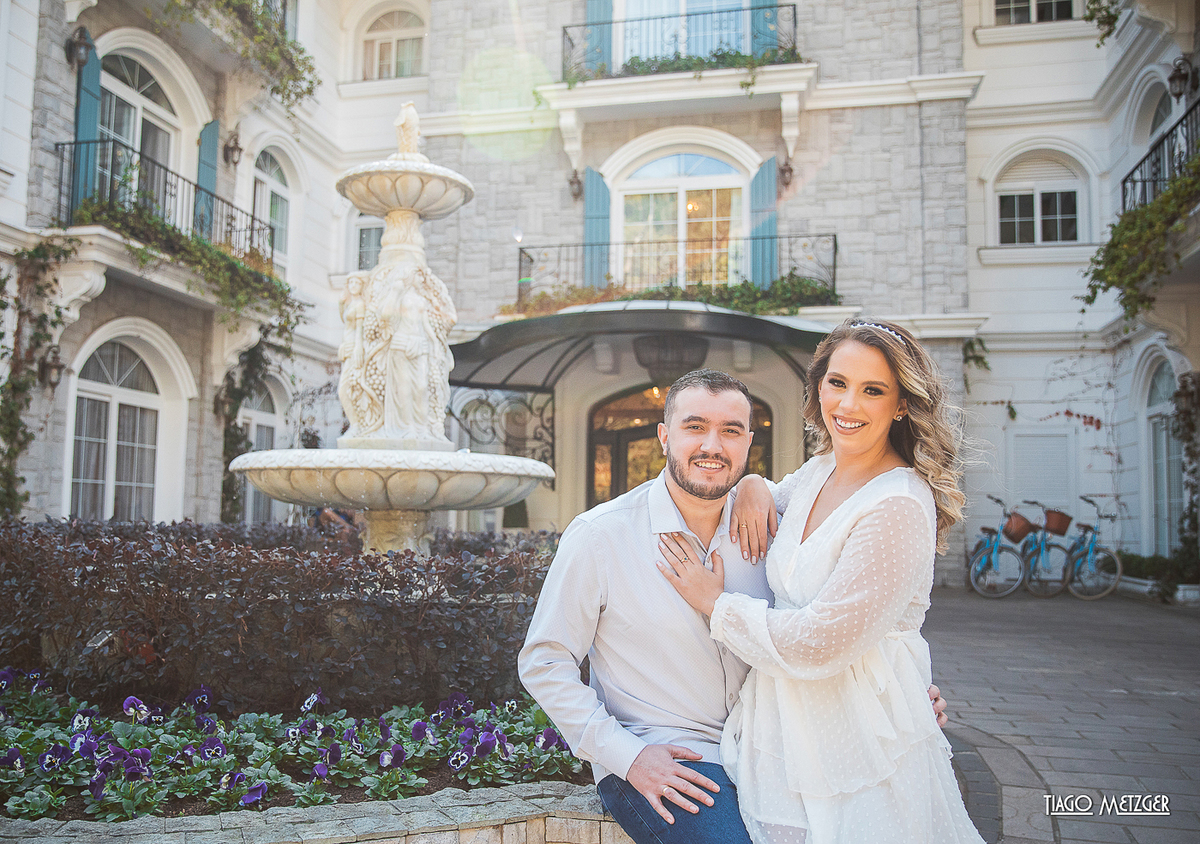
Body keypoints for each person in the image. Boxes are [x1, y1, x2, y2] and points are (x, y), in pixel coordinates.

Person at [518, 368, 948, 844]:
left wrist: (899, 689)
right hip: (672, 758)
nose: (712, 446)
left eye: (731, 431)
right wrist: (627, 756)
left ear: (748, 444)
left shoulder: (777, 532)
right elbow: (545, 660)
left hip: (774, 748)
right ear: (664, 436)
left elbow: (836, 620)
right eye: (695, 426)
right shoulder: (601, 536)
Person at [657, 320, 984, 844]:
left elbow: (818, 643)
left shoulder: (896, 504)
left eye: (872, 390)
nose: (848, 406)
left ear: (901, 403)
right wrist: (753, 484)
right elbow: (772, 500)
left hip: (855, 739)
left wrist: (715, 603)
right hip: (787, 727)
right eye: (838, 383)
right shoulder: (820, 471)